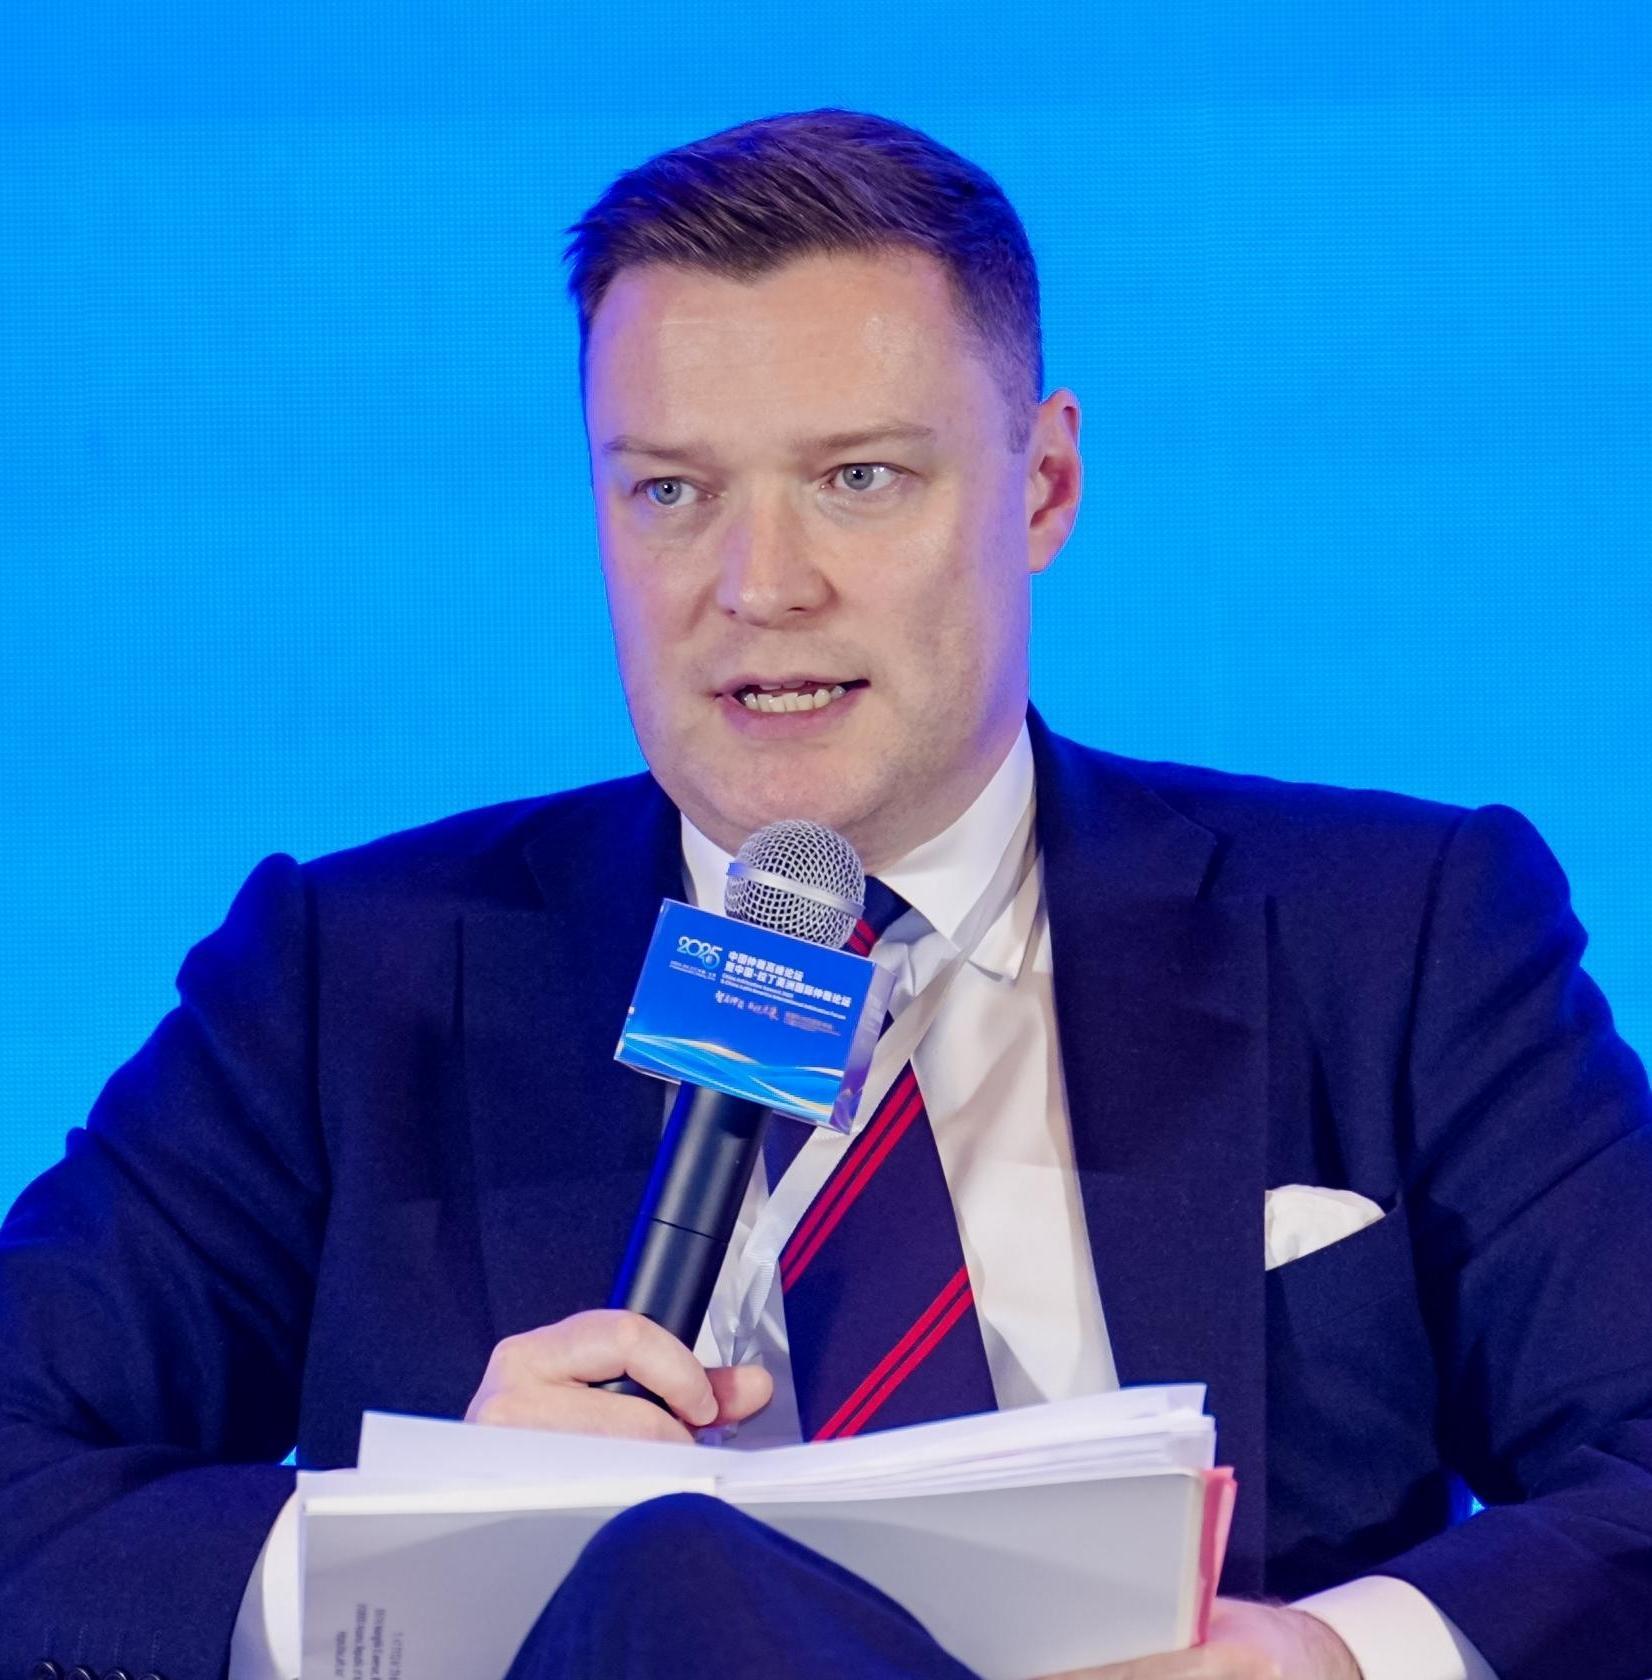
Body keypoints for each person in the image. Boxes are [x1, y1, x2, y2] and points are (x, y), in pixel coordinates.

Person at [2, 108, 1649, 1680]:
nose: (759, 587)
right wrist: (421, 1558)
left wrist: (1326, 1655)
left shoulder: (1400, 934)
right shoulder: (345, 983)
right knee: (664, 1576)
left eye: (858, 478)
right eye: (671, 491)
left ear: (1044, 485)